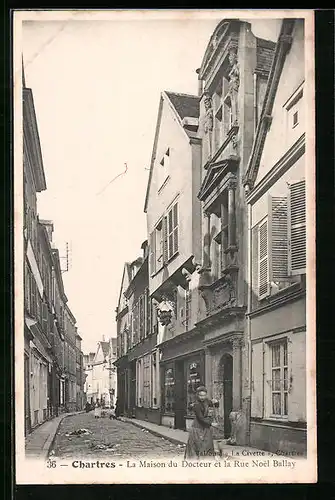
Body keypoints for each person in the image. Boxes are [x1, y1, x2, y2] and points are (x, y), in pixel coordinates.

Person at [184, 386, 219, 460]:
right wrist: (211, 424)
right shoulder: (196, 404)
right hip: (197, 428)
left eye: (204, 395)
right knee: (197, 446)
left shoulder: (207, 401)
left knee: (207, 446)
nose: (202, 397)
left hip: (206, 428)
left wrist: (216, 402)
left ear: (206, 395)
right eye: (200, 395)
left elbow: (214, 406)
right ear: (197, 395)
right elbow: (200, 418)